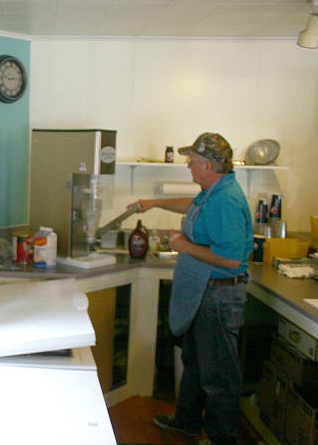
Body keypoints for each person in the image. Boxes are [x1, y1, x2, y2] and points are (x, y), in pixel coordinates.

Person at [128, 132, 252, 445]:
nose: (188, 166)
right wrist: (153, 202)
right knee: (195, 362)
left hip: (220, 296)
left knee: (219, 375)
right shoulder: (212, 191)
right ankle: (187, 421)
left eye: (192, 161)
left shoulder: (226, 200)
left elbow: (229, 258)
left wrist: (183, 245)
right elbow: (191, 205)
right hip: (205, 293)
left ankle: (223, 439)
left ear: (208, 165)